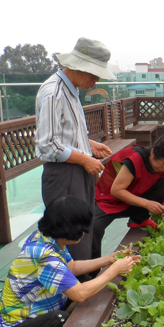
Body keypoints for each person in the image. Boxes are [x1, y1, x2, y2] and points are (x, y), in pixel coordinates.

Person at [0, 196, 140, 327]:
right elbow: (80, 294)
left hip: (33, 316)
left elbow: (72, 267)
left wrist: (108, 260)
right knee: (60, 318)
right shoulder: (46, 256)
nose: (84, 232)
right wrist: (114, 270)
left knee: (80, 284)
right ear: (70, 228)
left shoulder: (47, 238)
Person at [35, 37, 116, 262]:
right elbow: (48, 144)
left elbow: (63, 133)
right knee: (72, 234)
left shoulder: (71, 90)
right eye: (93, 74)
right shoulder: (54, 92)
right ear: (78, 66)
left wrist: (88, 144)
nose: (95, 80)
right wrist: (84, 159)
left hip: (77, 170)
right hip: (64, 174)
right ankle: (76, 291)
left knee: (85, 226)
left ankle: (88, 283)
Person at [91, 134, 164, 260]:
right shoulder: (135, 158)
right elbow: (116, 190)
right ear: (153, 153)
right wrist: (147, 204)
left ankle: (139, 219)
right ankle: (92, 272)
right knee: (93, 227)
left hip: (136, 201)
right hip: (109, 200)